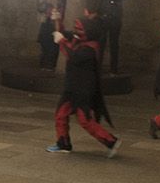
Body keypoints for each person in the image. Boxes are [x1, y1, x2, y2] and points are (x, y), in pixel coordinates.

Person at [47, 17, 122, 156]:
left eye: (80, 29)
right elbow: (65, 33)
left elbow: (72, 56)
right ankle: (63, 143)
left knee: (85, 120)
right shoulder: (81, 40)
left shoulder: (90, 48)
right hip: (72, 87)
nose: (76, 32)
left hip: (82, 89)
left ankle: (111, 141)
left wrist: (61, 41)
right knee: (61, 114)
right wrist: (57, 20)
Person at [93, 0, 129, 74]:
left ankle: (113, 69)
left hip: (115, 17)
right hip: (103, 16)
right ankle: (97, 68)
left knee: (114, 43)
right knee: (101, 42)